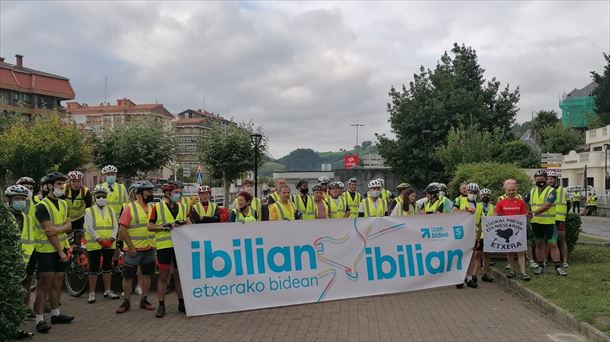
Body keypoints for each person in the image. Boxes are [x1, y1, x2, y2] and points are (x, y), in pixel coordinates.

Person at [33, 172, 74, 333]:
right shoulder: (42, 206)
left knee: (58, 282)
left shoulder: (63, 203)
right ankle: (39, 319)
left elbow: (69, 225)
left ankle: (56, 314)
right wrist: (60, 251)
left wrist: (59, 229)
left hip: (61, 248)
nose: (62, 187)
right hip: (46, 250)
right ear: (50, 186)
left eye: (64, 184)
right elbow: (49, 232)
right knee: (45, 283)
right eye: (59, 184)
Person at [147, 183, 188, 318]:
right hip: (164, 246)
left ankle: (181, 303)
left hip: (178, 246)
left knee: (178, 275)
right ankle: (161, 305)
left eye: (179, 192)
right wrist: (163, 226)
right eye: (176, 192)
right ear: (167, 193)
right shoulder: (157, 207)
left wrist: (184, 223)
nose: (179, 194)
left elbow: (187, 222)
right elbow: (149, 226)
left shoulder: (181, 206)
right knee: (163, 276)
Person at [116, 181, 157, 314]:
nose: (151, 194)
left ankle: (144, 300)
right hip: (134, 250)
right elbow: (122, 230)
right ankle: (126, 301)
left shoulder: (153, 208)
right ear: (140, 193)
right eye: (149, 192)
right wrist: (130, 246)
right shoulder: (130, 208)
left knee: (147, 275)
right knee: (128, 276)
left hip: (149, 248)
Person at [523, 170, 567, 276]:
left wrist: (533, 213)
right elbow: (523, 201)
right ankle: (540, 266)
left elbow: (547, 205)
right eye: (537, 179)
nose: (539, 181)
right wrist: (526, 211)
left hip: (549, 223)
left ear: (546, 179)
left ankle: (558, 267)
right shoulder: (532, 191)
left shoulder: (552, 191)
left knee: (553, 244)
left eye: (542, 179)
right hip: (536, 223)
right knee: (539, 244)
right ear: (535, 180)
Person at [5, 184, 35, 339]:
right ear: (9, 200)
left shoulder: (27, 218)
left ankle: (14, 329)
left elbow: (30, 241)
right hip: (6, 265)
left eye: (23, 199)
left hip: (22, 264)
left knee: (17, 298)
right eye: (17, 198)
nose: (21, 202)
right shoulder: (5, 217)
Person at [84, 185, 120, 304]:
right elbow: (89, 227)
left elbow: (115, 225)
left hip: (109, 243)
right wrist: (99, 239)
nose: (101, 198)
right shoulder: (89, 211)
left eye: (103, 196)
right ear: (94, 197)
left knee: (107, 267)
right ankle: (92, 293)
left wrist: (112, 238)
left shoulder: (111, 210)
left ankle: (108, 291)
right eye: (98, 196)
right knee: (93, 269)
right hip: (95, 244)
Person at [496, 179, 530, 281]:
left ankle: (523, 272)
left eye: (513, 190)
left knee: (520, 252)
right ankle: (512, 270)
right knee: (510, 251)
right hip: (507, 232)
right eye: (509, 190)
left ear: (516, 190)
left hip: (519, 232)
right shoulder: (501, 203)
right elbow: (495, 216)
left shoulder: (521, 203)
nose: (511, 192)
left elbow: (525, 215)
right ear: (505, 191)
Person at [64, 171, 92, 247]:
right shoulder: (64, 189)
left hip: (79, 219)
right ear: (69, 182)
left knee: (78, 243)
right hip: (66, 219)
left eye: (79, 181)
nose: (76, 184)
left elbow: (89, 209)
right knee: (66, 242)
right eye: (73, 181)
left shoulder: (85, 191)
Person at [547, 171, 569, 268]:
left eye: (551, 178)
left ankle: (564, 262)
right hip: (549, 219)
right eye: (548, 179)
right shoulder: (545, 191)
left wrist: (564, 214)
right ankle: (545, 261)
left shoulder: (563, 191)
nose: (549, 181)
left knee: (562, 240)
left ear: (555, 179)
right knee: (549, 241)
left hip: (560, 219)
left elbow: (568, 204)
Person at [476, 188, 495, 282]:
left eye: (487, 195)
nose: (485, 196)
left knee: (487, 254)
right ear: (480, 196)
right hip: (479, 233)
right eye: (483, 195)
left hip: (489, 234)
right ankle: (474, 274)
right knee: (477, 254)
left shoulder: (493, 207)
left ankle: (485, 273)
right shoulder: (477, 206)